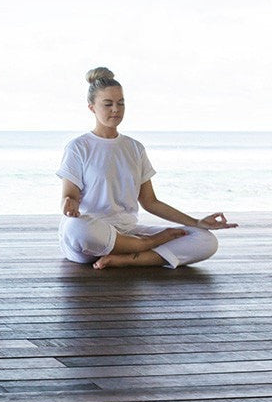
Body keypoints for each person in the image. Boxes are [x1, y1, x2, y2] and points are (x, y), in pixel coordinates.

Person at [56, 68, 236, 269]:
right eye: (108, 104)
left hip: (127, 232)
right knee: (76, 229)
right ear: (91, 107)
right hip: (93, 234)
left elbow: (150, 202)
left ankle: (123, 259)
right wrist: (69, 205)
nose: (115, 109)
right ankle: (146, 245)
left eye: (120, 103)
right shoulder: (79, 147)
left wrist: (196, 222)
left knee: (206, 240)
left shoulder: (134, 148)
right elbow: (70, 196)